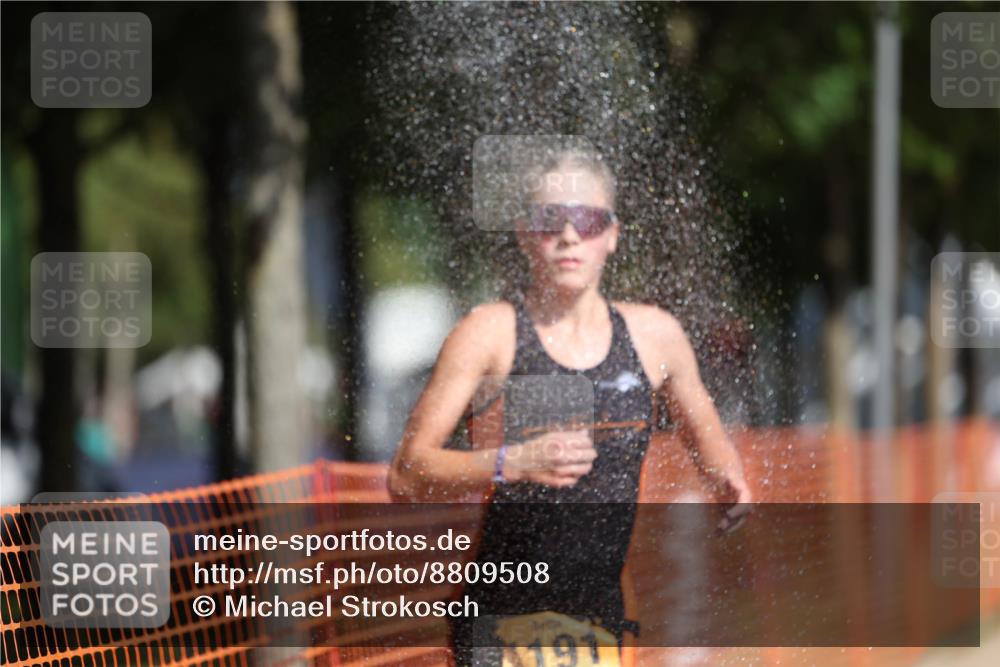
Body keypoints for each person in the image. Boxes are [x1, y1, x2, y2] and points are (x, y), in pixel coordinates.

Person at [387, 146, 752, 666]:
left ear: (612, 235)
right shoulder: (489, 334)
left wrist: (728, 482)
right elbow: (407, 473)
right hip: (500, 624)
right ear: (523, 233)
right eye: (548, 220)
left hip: (594, 625)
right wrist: (513, 462)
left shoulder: (655, 337)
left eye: (588, 219)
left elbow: (709, 439)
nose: (568, 235)